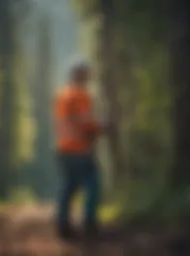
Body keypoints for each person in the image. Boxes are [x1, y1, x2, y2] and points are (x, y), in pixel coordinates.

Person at [54, 58, 110, 240]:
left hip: (63, 149)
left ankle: (63, 224)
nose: (88, 77)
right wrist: (102, 127)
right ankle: (89, 224)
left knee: (68, 186)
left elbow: (68, 121)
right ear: (80, 74)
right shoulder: (80, 95)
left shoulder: (63, 95)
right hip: (79, 149)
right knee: (92, 185)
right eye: (86, 73)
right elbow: (83, 121)